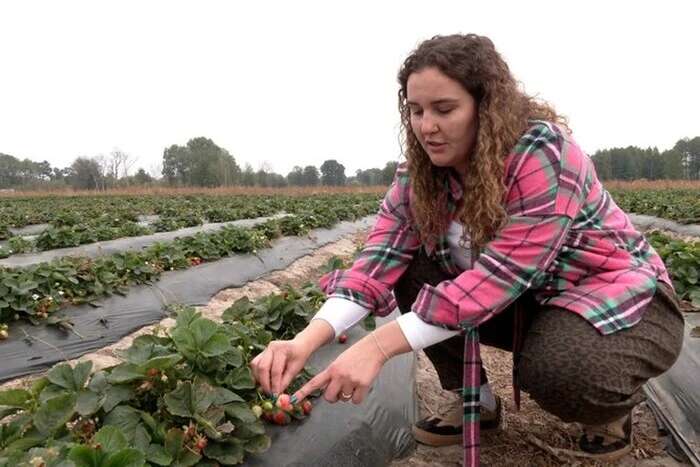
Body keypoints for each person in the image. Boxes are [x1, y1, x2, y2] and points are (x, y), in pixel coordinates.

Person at [250, 34, 684, 466]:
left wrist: (378, 347)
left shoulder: (544, 153)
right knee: (410, 267)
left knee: (558, 369)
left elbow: (499, 280)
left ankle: (607, 412)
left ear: (487, 106)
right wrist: (304, 341)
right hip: (526, 303)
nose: (427, 126)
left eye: (444, 109)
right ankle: (475, 399)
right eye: (416, 111)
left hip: (621, 305)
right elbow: (375, 263)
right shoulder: (420, 176)